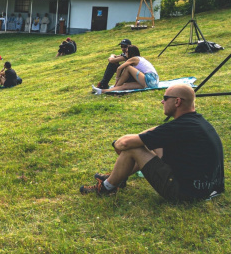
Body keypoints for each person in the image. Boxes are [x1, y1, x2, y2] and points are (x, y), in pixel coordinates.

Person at [80, 84, 224, 201]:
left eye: (165, 98)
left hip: (187, 194)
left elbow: (124, 144)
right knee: (154, 142)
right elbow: (156, 134)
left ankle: (106, 187)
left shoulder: (177, 127)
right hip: (210, 187)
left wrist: (117, 143)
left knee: (132, 149)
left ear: (177, 101)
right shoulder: (195, 122)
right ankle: (118, 177)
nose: (162, 101)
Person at [93, 45, 158, 94]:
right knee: (125, 86)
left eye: (127, 52)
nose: (125, 54)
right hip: (153, 83)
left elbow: (119, 68)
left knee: (128, 67)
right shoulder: (138, 58)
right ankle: (101, 91)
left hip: (150, 78)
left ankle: (115, 86)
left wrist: (117, 79)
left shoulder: (134, 58)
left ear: (131, 53)